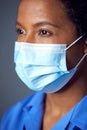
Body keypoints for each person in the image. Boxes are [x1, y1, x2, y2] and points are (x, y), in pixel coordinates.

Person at [1, 0, 87, 129]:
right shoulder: (14, 117)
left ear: (84, 43)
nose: (25, 45)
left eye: (44, 32)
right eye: (21, 31)